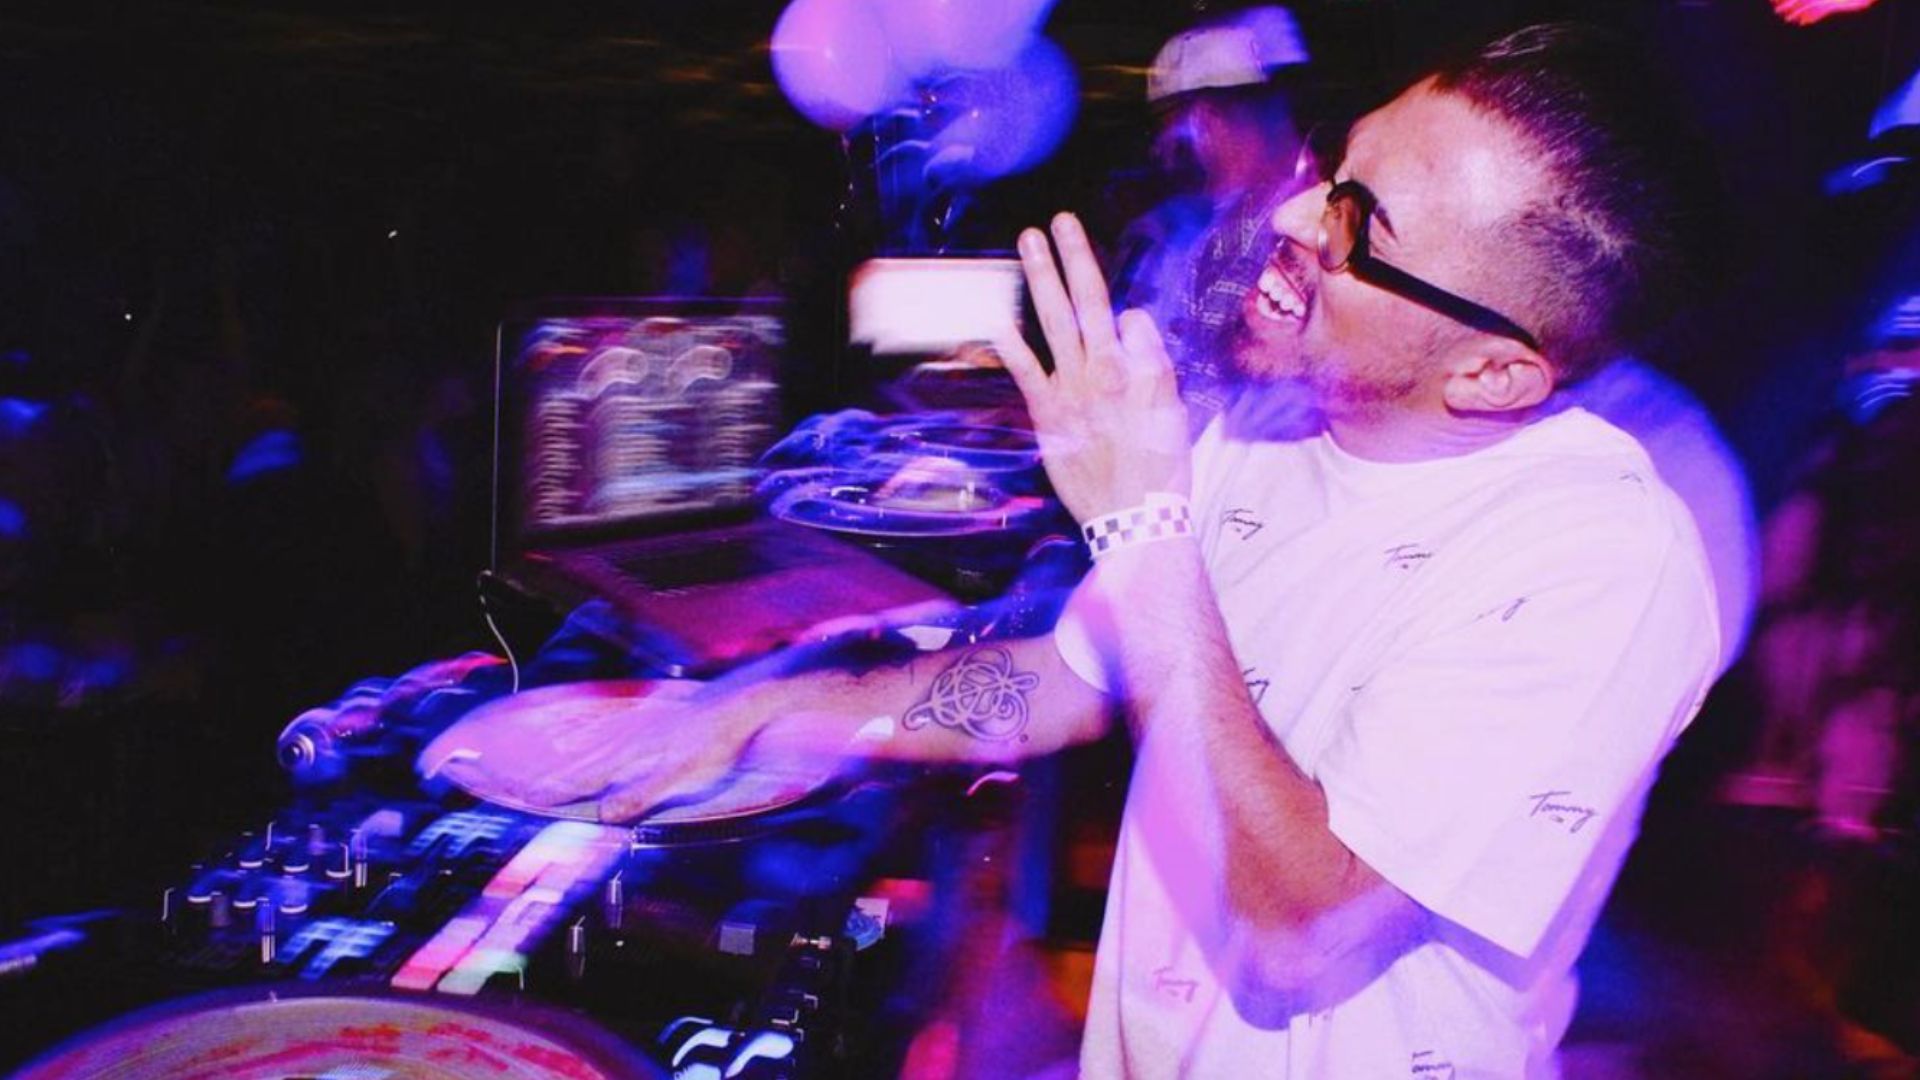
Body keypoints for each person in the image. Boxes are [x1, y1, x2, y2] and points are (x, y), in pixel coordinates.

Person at [430, 24, 1721, 1076]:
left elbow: (1303, 925)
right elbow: (1060, 681)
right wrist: (763, 710)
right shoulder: (1270, 431)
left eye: (1356, 229)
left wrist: (1145, 525)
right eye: (1333, 169)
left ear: (1494, 372)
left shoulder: (1605, 561)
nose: (1291, 217)